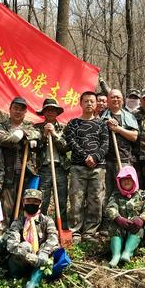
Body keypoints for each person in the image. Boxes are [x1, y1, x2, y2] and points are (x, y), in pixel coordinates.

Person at [65, 91, 109, 242]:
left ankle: (90, 232)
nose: (89, 104)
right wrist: (85, 157)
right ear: (80, 103)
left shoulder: (102, 124)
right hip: (78, 167)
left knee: (95, 199)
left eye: (92, 101)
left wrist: (95, 157)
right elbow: (71, 142)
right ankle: (75, 231)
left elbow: (105, 144)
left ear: (96, 104)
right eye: (86, 101)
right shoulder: (73, 123)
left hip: (98, 168)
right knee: (76, 199)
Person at [5, 189, 59, 288]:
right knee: (25, 245)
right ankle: (20, 278)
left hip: (39, 261)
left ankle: (32, 284)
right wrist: (27, 255)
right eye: (28, 201)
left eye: (35, 202)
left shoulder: (47, 220)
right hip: (20, 263)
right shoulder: (18, 222)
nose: (31, 204)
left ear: (40, 204)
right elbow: (11, 244)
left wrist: (43, 253)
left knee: (49, 249)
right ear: (23, 202)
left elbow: (53, 238)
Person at [0, 96, 41, 223]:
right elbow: (2, 139)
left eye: (21, 109)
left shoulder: (30, 125)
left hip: (26, 173)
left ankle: (21, 235)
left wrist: (29, 136)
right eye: (15, 108)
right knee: (6, 208)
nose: (18, 112)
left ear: (25, 112)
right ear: (10, 109)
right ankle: (3, 236)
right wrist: (19, 135)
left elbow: (38, 135)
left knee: (24, 207)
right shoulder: (2, 125)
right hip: (7, 174)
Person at [105, 166, 145, 267]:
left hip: (139, 232)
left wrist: (141, 219)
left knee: (139, 228)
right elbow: (110, 208)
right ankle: (116, 255)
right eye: (123, 180)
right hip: (122, 231)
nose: (126, 182)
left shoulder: (144, 195)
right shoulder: (115, 195)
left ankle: (127, 253)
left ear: (134, 180)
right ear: (119, 181)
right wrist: (118, 218)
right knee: (114, 226)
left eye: (129, 179)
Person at [34, 98, 69, 229]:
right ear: (44, 112)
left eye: (53, 110)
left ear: (57, 113)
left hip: (60, 168)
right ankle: (40, 229)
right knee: (42, 201)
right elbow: (35, 147)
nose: (50, 113)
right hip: (44, 169)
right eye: (47, 110)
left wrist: (54, 134)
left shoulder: (63, 128)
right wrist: (43, 135)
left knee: (61, 201)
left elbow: (66, 147)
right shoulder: (36, 128)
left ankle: (63, 228)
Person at [101, 88, 139, 200]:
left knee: (125, 190)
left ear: (122, 100)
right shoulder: (102, 117)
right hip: (105, 161)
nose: (115, 99)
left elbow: (134, 137)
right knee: (106, 192)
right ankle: (108, 216)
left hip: (124, 160)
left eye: (118, 97)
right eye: (112, 97)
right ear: (107, 100)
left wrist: (118, 129)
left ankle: (124, 216)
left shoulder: (129, 116)